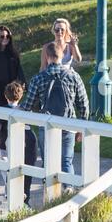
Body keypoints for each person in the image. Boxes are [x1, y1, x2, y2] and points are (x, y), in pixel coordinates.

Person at [21, 42, 89, 193]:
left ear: (47, 56)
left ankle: (50, 195)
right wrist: (82, 126)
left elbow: (27, 105)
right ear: (62, 56)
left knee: (48, 161)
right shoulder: (74, 76)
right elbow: (83, 104)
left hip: (47, 124)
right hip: (68, 124)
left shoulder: (38, 78)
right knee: (66, 160)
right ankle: (68, 189)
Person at [0, 82, 37, 207]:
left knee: (7, 168)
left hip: (6, 142)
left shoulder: (2, 110)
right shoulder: (26, 110)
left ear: (5, 96)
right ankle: (25, 199)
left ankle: (10, 190)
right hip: (27, 141)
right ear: (21, 95)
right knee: (26, 170)